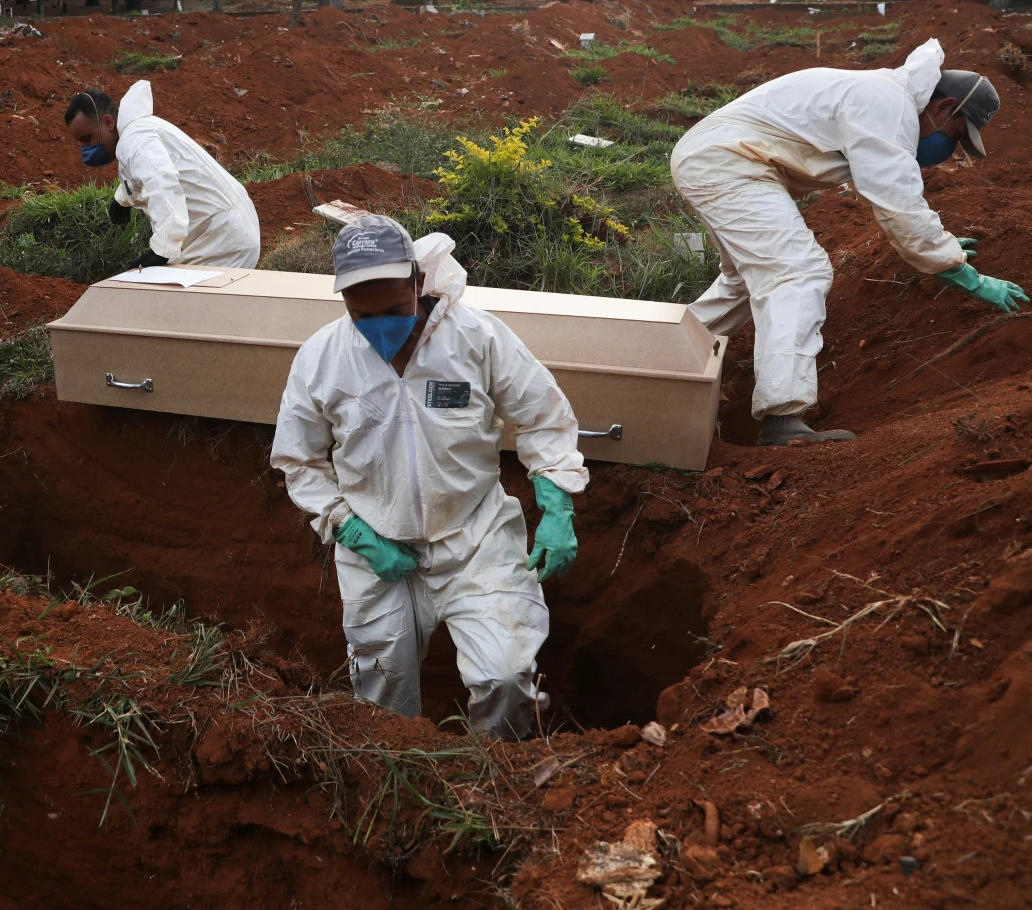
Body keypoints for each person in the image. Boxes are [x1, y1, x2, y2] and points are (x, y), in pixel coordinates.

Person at [270, 215, 588, 739]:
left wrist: (557, 503)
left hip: (474, 538)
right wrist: (350, 529)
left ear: (420, 283)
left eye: (394, 311)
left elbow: (542, 415)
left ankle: (495, 780)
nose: (380, 328)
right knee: (382, 699)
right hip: (377, 547)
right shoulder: (321, 358)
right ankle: (399, 785)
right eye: (360, 315)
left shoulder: (476, 338)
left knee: (507, 677)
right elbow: (298, 459)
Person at [671, 39, 1026, 446]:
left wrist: (938, 246)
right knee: (797, 272)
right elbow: (900, 203)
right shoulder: (890, 107)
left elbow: (882, 196)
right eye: (956, 137)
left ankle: (655, 356)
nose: (950, 150)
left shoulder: (880, 95)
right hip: (729, 162)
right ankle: (783, 418)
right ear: (944, 108)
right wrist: (958, 267)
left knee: (744, 283)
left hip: (716, 156)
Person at [64, 81, 260, 270]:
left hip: (223, 239)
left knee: (171, 300)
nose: (85, 148)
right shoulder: (138, 131)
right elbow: (143, 171)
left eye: (87, 139)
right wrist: (122, 200)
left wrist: (161, 251)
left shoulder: (135, 139)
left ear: (107, 122)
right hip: (227, 229)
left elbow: (161, 182)